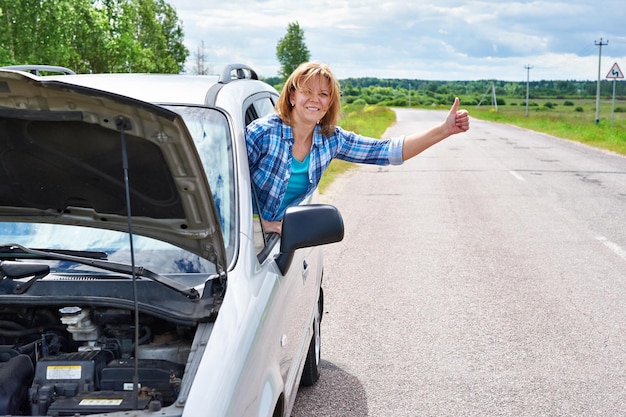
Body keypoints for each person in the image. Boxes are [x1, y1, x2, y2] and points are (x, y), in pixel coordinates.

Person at [246, 62, 470, 234]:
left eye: (324, 94)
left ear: (330, 103)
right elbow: (221, 187)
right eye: (307, 91)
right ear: (292, 96)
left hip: (278, 236)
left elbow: (388, 151)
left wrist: (444, 130)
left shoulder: (330, 139)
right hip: (243, 238)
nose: (316, 100)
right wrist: (260, 224)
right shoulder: (263, 133)